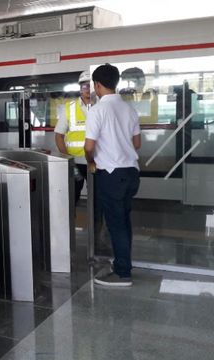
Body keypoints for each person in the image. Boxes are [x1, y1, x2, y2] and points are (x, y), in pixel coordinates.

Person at [84, 63, 141, 287]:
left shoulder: (97, 110)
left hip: (110, 173)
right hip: (131, 173)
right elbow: (137, 144)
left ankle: (123, 273)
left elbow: (89, 147)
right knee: (124, 221)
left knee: (116, 224)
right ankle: (122, 263)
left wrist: (91, 163)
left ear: (97, 85)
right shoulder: (129, 109)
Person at [55, 71, 95, 204]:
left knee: (97, 198)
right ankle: (70, 223)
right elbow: (59, 135)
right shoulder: (69, 108)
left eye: (91, 85)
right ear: (80, 88)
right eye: (85, 86)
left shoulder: (102, 107)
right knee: (72, 197)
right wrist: (68, 159)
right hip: (75, 162)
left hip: (95, 161)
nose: (88, 89)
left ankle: (96, 224)